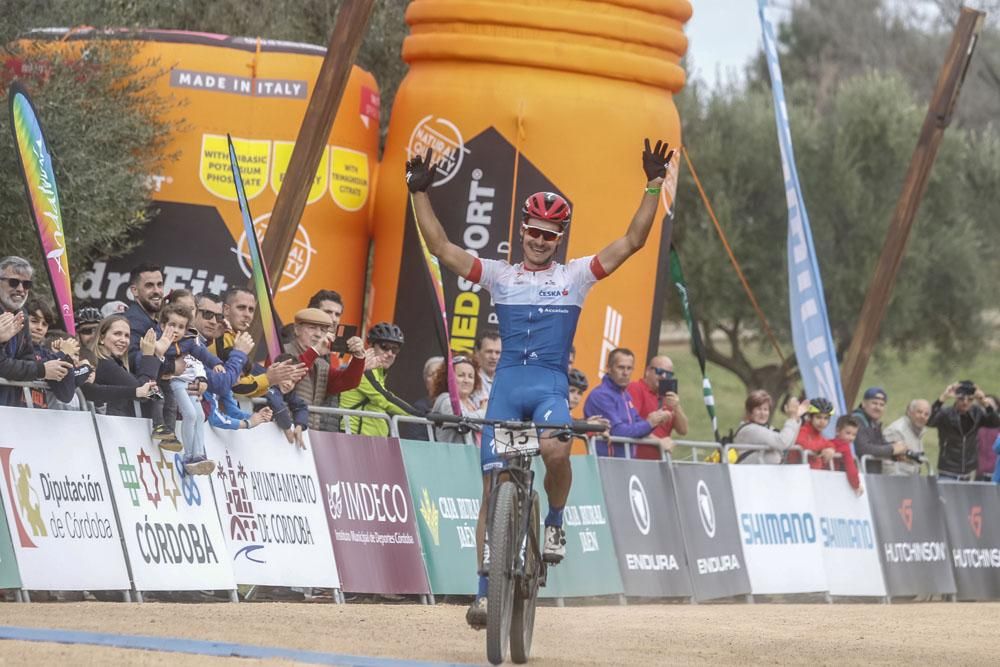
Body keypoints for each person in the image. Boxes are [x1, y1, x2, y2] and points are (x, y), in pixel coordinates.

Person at [406, 137, 676, 627]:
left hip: (548, 387)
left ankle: (554, 521)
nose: (539, 240)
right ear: (523, 230)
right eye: (533, 231)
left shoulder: (575, 276)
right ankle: (484, 592)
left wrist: (654, 185)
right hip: (507, 387)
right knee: (492, 489)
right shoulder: (500, 274)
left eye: (549, 235)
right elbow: (442, 247)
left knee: (555, 451)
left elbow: (632, 241)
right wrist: (418, 192)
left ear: (560, 238)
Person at [0, 256, 73, 405]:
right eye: (13, 282)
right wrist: (41, 369)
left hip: (10, 409)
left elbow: (27, 359)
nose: (20, 289)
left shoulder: (22, 316)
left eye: (26, 284)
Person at [208, 287, 305, 398]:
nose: (247, 314)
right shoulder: (219, 335)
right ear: (226, 310)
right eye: (241, 308)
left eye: (251, 310)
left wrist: (272, 380)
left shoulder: (237, 338)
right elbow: (235, 386)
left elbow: (242, 390)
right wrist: (268, 378)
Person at [284, 307, 367, 432]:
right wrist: (315, 351)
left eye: (323, 330)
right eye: (312, 328)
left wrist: (359, 357)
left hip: (309, 432)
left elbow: (349, 382)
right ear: (296, 329)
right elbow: (288, 377)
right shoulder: (282, 350)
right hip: (282, 430)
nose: (318, 334)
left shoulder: (321, 363)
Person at [584, 347, 674, 457]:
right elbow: (617, 431)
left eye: (629, 368)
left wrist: (657, 419)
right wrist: (650, 423)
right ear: (608, 368)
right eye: (621, 367)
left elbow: (638, 425)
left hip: (624, 464)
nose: (625, 373)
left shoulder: (625, 395)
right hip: (605, 464)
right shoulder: (601, 395)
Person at [339, 322, 420, 436]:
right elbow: (386, 399)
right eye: (384, 347)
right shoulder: (363, 369)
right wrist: (420, 415)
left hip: (371, 440)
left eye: (395, 349)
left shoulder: (378, 371)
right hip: (354, 438)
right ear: (371, 346)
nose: (390, 353)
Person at [81, 315, 159, 416]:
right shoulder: (103, 363)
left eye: (127, 336)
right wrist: (148, 355)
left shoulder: (115, 363)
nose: (123, 340)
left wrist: (158, 356)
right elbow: (142, 391)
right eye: (117, 334)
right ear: (101, 338)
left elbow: (154, 395)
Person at [929, 381, 1000, 480]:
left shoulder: (977, 413)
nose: (965, 402)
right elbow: (929, 421)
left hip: (968, 472)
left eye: (970, 399)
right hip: (948, 470)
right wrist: (943, 398)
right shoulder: (946, 413)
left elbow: (995, 423)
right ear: (956, 398)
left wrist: (984, 401)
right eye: (961, 398)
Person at [627, 355, 689, 459]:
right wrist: (658, 442)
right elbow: (631, 424)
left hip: (660, 461)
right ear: (647, 371)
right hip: (636, 459)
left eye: (669, 374)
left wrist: (677, 407)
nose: (664, 377)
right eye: (660, 372)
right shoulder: (636, 388)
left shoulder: (667, 396)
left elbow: (683, 430)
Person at [732, 391, 807, 464]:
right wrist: (792, 418)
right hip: (748, 474)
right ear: (750, 411)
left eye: (765, 409)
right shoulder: (749, 429)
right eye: (758, 409)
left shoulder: (766, 428)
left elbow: (788, 444)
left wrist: (796, 418)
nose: (762, 413)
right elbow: (782, 442)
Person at [430, 355, 486, 444]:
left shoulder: (472, 403)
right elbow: (462, 421)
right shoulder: (446, 399)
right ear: (449, 378)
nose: (466, 380)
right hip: (453, 455)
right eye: (461, 375)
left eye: (471, 376)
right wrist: (483, 411)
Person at [851, 387, 908, 474]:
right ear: (863, 404)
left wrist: (897, 452)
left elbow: (880, 445)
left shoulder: (873, 423)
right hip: (856, 478)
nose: (878, 407)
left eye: (882, 405)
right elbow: (863, 449)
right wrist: (892, 449)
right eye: (874, 403)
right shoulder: (856, 420)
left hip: (869, 477)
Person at [262, 353, 311, 448]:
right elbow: (277, 404)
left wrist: (299, 425)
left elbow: (301, 406)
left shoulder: (288, 393)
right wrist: (288, 429)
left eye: (293, 381)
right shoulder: (269, 385)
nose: (289, 384)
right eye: (286, 378)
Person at [123, 263, 164, 370]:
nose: (157, 291)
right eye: (149, 285)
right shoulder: (133, 322)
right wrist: (171, 365)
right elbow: (130, 361)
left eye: (159, 284)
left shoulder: (152, 319)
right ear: (134, 290)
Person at [882, 399, 931, 476]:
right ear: (909, 412)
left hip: (910, 480)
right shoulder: (897, 430)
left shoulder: (917, 430)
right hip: (895, 481)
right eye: (919, 412)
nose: (922, 416)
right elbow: (887, 464)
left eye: (926, 414)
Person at [399, 356, 444, 441]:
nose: (436, 378)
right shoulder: (420, 407)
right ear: (426, 381)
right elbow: (415, 438)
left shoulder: (458, 405)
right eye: (431, 374)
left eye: (440, 374)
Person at [470, 329, 501, 406]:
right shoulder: (469, 379)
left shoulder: (508, 380)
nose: (494, 357)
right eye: (489, 351)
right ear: (477, 352)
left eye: (497, 352)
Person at [976, 395, 1000, 481]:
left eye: (990, 404)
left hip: (996, 472)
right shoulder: (976, 423)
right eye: (984, 404)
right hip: (979, 471)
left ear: (997, 407)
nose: (986, 406)